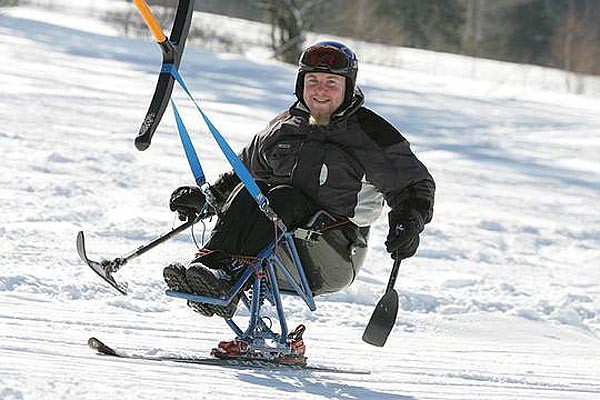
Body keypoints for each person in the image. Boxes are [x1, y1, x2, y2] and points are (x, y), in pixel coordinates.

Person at [163, 41, 435, 319]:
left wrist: (408, 221)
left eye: (332, 82)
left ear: (348, 86)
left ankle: (230, 276)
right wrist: (207, 199)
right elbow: (243, 174)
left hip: (334, 250)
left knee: (283, 196)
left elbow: (413, 184)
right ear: (300, 84)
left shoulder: (370, 133)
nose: (320, 90)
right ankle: (211, 269)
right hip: (279, 240)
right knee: (251, 190)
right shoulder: (284, 126)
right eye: (313, 80)